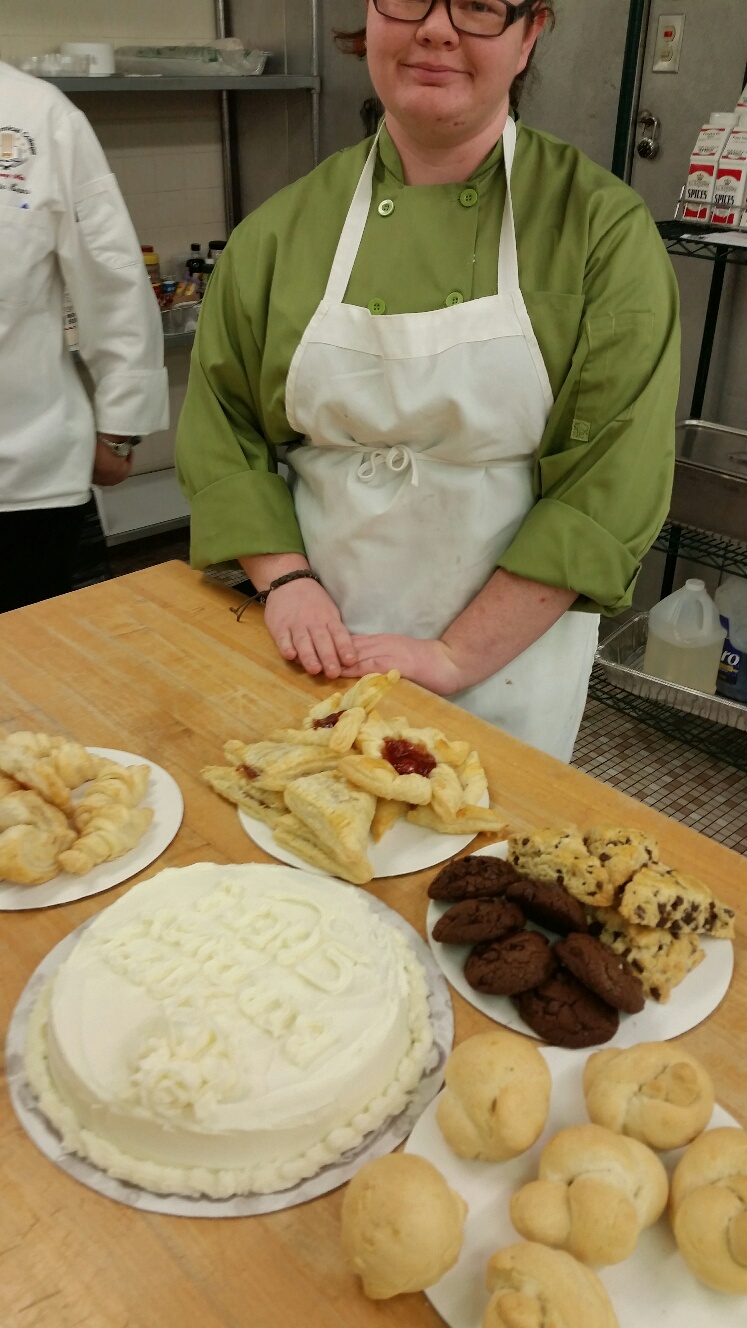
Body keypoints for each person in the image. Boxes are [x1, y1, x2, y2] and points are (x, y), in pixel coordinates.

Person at [176, 0, 680, 762]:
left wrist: (454, 656)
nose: (436, 29)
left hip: (506, 665)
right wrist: (283, 582)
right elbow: (222, 426)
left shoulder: (598, 234)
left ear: (529, 34)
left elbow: (609, 484)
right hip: (314, 643)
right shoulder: (280, 233)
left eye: (477, 5)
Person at [0, 61, 169, 613]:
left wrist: (118, 430)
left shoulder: (37, 115)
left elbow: (111, 277)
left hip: (24, 483)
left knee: (29, 655)